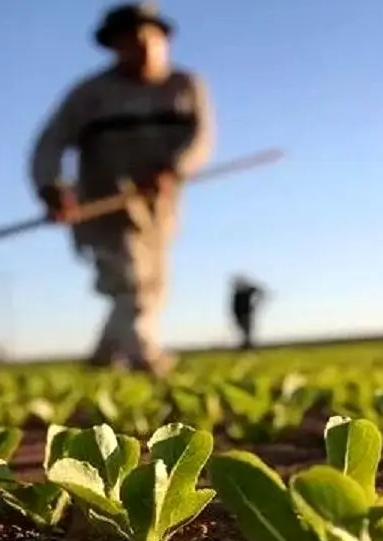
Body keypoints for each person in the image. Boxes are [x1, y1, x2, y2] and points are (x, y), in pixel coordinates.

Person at [28, 3, 214, 377]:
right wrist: (51, 188)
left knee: (153, 287)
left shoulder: (185, 86)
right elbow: (50, 143)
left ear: (164, 40)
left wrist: (172, 169)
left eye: (148, 38)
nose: (140, 47)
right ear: (113, 47)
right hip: (103, 208)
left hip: (158, 210)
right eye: (128, 40)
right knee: (132, 284)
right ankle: (146, 360)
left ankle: (101, 360)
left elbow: (201, 137)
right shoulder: (90, 94)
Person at [230, 275, 266, 350]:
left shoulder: (247, 290)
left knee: (247, 331)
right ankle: (247, 345)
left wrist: (256, 303)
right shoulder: (237, 293)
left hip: (246, 313)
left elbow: (261, 292)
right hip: (239, 314)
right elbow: (234, 306)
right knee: (244, 331)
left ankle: (247, 346)